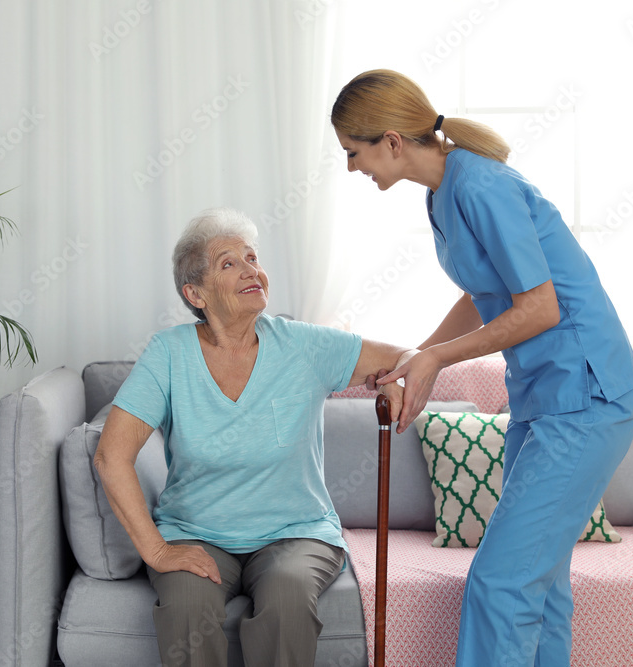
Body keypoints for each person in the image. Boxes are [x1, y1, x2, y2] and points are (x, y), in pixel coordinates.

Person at [330, 69, 633, 666]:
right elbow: (479, 292)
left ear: (391, 140)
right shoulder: (440, 192)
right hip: (542, 397)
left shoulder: (481, 186)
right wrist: (412, 358)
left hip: (586, 394)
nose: (352, 168)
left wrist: (437, 360)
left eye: (354, 152)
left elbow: (541, 307)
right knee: (540, 585)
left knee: (500, 585)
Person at [93, 207, 409, 667]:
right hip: (197, 535)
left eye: (252, 257)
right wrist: (157, 550)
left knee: (287, 601)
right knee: (186, 608)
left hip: (296, 534)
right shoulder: (169, 354)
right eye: (229, 263)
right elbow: (111, 456)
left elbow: (404, 354)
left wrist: (397, 376)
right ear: (194, 292)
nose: (251, 270)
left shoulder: (303, 345)